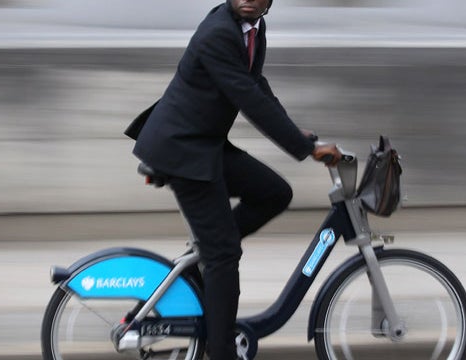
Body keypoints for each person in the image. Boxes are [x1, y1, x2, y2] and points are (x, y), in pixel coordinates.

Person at [129, 0, 342, 358]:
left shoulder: (252, 27)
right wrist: (306, 150)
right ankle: (222, 350)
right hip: (182, 151)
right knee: (225, 252)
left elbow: (255, 83)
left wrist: (298, 134)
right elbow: (249, 100)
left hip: (205, 145)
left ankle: (204, 259)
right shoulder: (218, 33)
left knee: (275, 193)